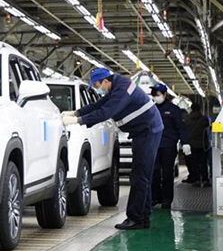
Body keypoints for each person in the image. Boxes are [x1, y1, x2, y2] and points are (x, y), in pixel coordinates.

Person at [62, 68, 163, 230]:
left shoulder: (122, 90)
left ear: (106, 81)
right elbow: (100, 104)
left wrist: (77, 121)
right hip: (143, 131)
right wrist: (76, 112)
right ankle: (143, 217)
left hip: (148, 130)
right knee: (142, 176)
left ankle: (135, 218)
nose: (97, 88)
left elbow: (105, 112)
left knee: (139, 176)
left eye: (96, 85)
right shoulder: (116, 86)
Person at [150, 84, 191, 209]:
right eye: (153, 95)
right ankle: (155, 197)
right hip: (154, 145)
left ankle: (167, 199)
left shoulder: (174, 110)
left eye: (157, 94)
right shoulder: (152, 109)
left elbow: (181, 127)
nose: (155, 97)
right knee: (154, 172)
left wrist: (185, 142)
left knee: (167, 173)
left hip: (168, 145)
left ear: (164, 94)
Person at [182, 102, 211, 186]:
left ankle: (197, 180)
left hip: (192, 145)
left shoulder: (187, 119)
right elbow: (208, 127)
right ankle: (205, 180)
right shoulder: (204, 119)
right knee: (203, 163)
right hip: (202, 144)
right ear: (199, 109)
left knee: (194, 163)